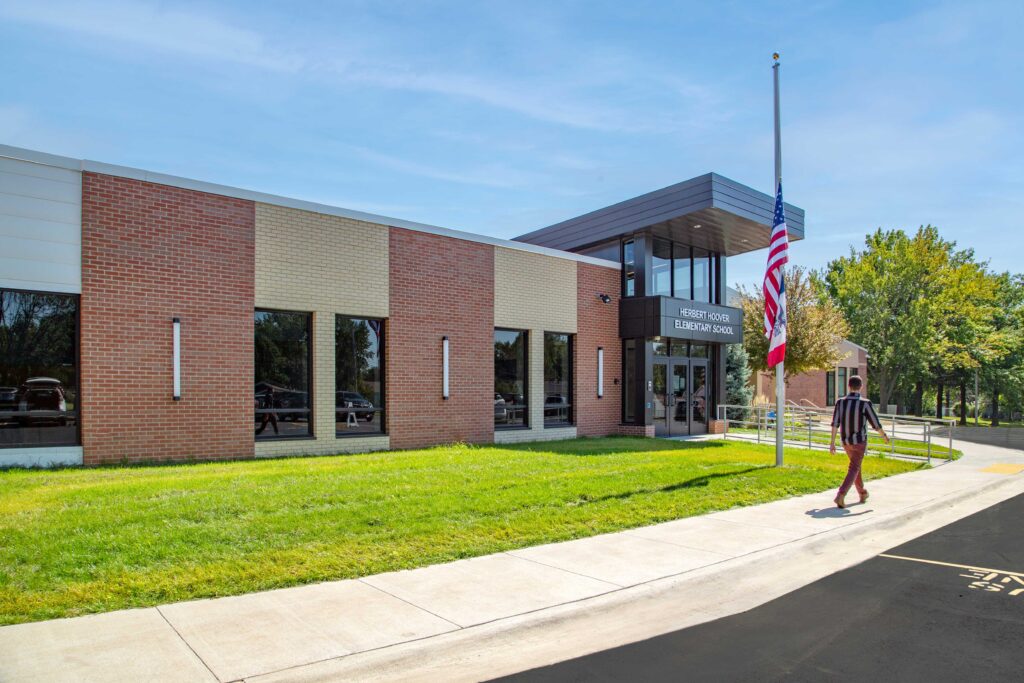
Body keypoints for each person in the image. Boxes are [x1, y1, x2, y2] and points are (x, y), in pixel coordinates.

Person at [829, 375, 889, 508]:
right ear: (861, 387)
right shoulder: (865, 403)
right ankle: (841, 495)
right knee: (854, 467)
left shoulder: (840, 402)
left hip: (845, 441)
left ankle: (862, 493)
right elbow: (875, 423)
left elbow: (835, 423)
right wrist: (884, 435)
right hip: (859, 441)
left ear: (848, 386)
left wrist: (832, 442)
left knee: (856, 467)